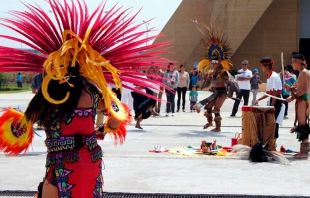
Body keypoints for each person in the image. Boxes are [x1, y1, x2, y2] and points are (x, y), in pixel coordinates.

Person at [0, 1, 170, 197]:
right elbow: (116, 118)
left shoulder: (48, 94)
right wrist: (101, 129)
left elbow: (19, 127)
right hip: (91, 161)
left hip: (60, 166)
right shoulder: (95, 91)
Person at [191, 21, 235, 132]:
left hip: (222, 93)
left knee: (216, 109)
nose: (215, 64)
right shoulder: (212, 72)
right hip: (215, 93)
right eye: (213, 62)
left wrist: (227, 80)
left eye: (216, 62)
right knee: (208, 107)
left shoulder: (223, 71)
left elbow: (230, 79)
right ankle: (210, 123)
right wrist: (206, 79)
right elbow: (209, 81)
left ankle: (218, 127)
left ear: (219, 62)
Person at [284, 53, 310, 159]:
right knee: (301, 125)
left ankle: (304, 152)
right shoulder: (302, 73)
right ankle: (302, 151)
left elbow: (304, 90)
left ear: (298, 62)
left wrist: (292, 97)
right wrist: (290, 88)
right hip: (302, 101)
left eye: (292, 62)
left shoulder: (304, 73)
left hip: (303, 101)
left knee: (303, 126)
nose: (291, 64)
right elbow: (300, 88)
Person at [253, 57, 283, 142]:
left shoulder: (273, 76)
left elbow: (274, 93)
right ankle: (270, 142)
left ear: (266, 67)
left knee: (273, 123)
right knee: (270, 123)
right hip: (272, 100)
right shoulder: (269, 76)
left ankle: (273, 142)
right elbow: (268, 92)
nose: (261, 68)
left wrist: (271, 107)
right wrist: (259, 99)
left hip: (276, 101)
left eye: (262, 66)